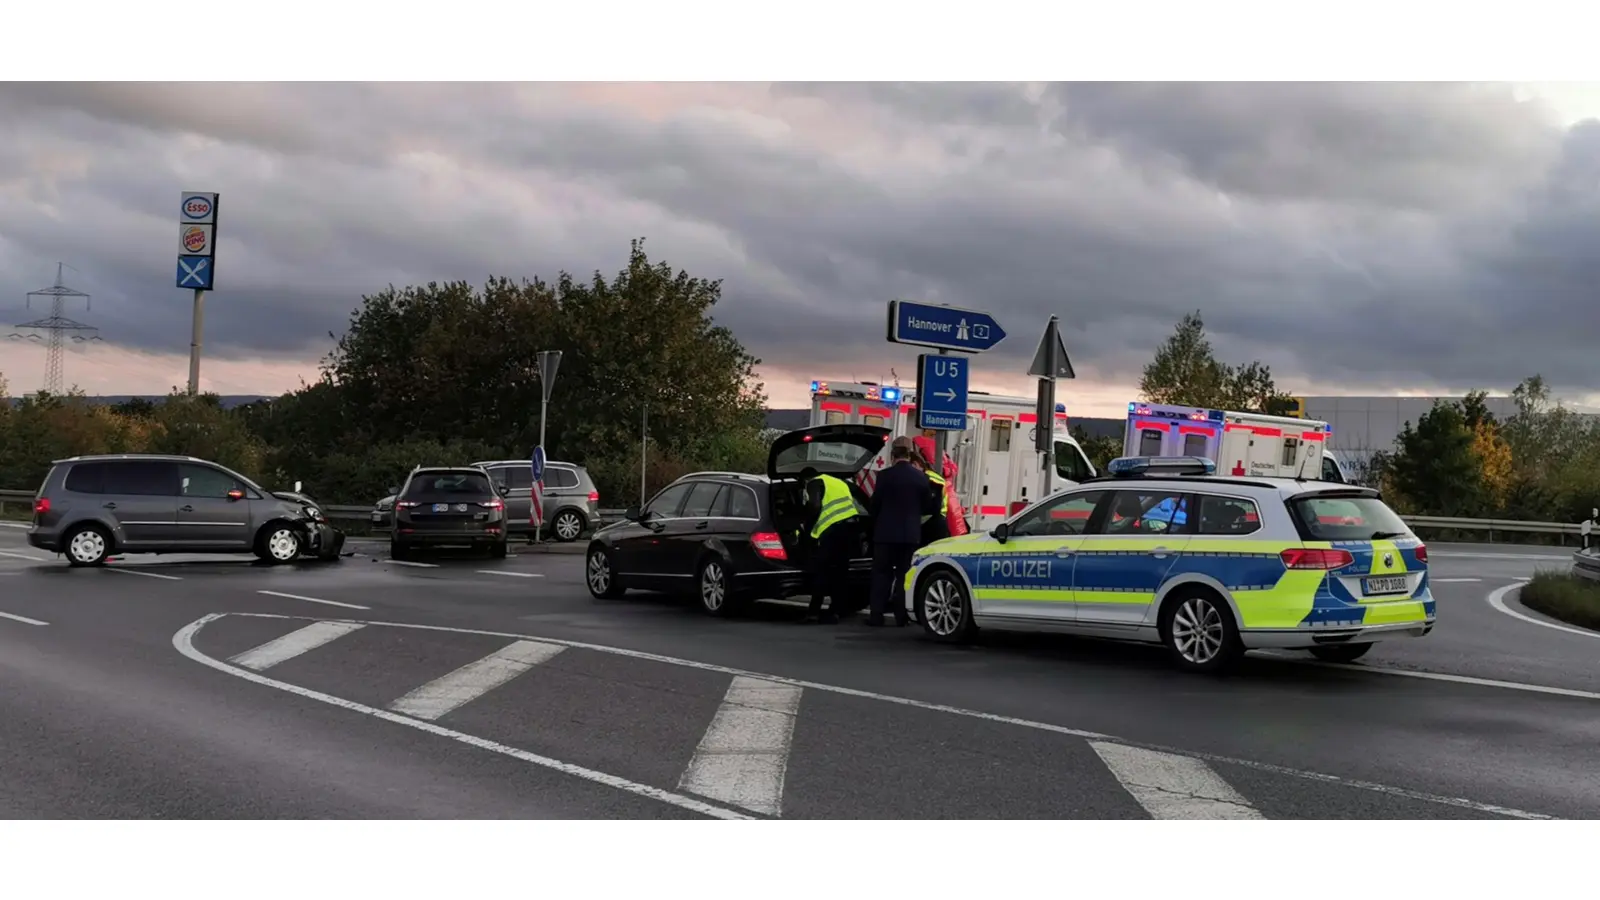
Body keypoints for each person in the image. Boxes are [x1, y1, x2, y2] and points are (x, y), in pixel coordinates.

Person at [866, 436, 938, 626]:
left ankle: (876, 615)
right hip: (910, 535)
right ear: (909, 455)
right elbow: (927, 506)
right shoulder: (921, 477)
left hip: (885, 535)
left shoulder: (884, 476)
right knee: (905, 576)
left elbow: (875, 505)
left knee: (881, 574)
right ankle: (901, 616)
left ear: (893, 455)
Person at [798, 466, 864, 624]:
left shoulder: (814, 482)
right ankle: (836, 611)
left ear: (805, 479)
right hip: (850, 529)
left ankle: (813, 613)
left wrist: (806, 526)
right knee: (841, 572)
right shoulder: (839, 482)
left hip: (831, 532)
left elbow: (814, 506)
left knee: (822, 572)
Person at [911, 437, 951, 546]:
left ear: (916, 464)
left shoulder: (932, 480)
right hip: (931, 523)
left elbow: (933, 507)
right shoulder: (927, 477)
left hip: (935, 525)